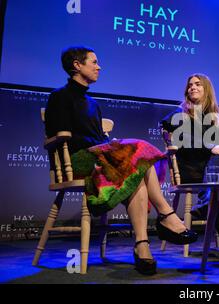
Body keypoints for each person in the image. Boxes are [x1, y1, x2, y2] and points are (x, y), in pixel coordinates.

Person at [44, 46, 197, 275]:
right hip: (77, 163)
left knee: (139, 177)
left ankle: (142, 245)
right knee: (139, 147)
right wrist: (103, 147)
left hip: (99, 159)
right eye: (94, 62)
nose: (99, 66)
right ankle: (166, 214)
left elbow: (96, 138)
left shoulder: (94, 104)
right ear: (77, 65)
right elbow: (60, 135)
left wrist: (107, 145)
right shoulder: (60, 96)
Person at [160, 73, 219, 261]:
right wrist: (212, 147)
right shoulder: (179, 115)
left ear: (207, 89)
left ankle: (209, 201)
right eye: (190, 85)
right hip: (190, 170)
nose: (192, 87)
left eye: (198, 84)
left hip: (212, 173)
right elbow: (182, 139)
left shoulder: (218, 119)